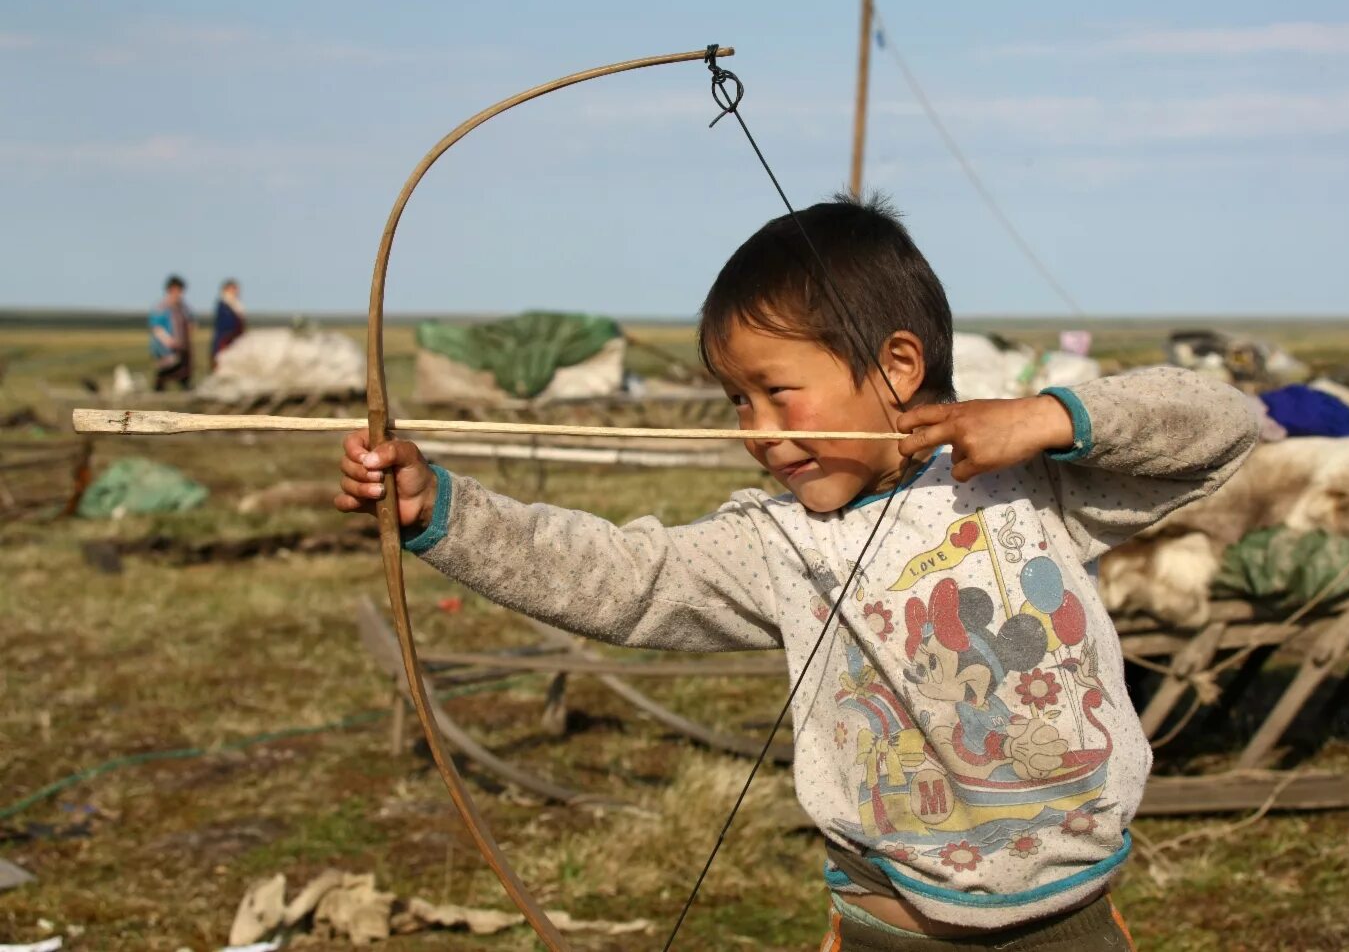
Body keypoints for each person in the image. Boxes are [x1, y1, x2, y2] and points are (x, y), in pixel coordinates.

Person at [335, 195, 1257, 950]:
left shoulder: (1029, 481)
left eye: (780, 391)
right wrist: (440, 513)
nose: (758, 428)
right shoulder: (776, 543)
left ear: (898, 365)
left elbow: (1221, 423)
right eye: (738, 399)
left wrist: (1049, 418)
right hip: (890, 921)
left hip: (1072, 917)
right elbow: (625, 577)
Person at [148, 274, 194, 391]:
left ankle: (186, 392)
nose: (178, 293)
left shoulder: (183, 307)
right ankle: (158, 394)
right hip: (165, 348)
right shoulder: (161, 307)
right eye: (176, 290)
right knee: (165, 371)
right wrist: (168, 341)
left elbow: (190, 321)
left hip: (181, 346)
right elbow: (156, 328)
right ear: (170, 290)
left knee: (183, 372)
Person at [211, 278, 246, 369]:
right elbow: (226, 324)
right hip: (225, 342)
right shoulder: (223, 305)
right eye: (233, 289)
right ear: (226, 290)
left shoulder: (236, 305)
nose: (236, 291)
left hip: (236, 342)